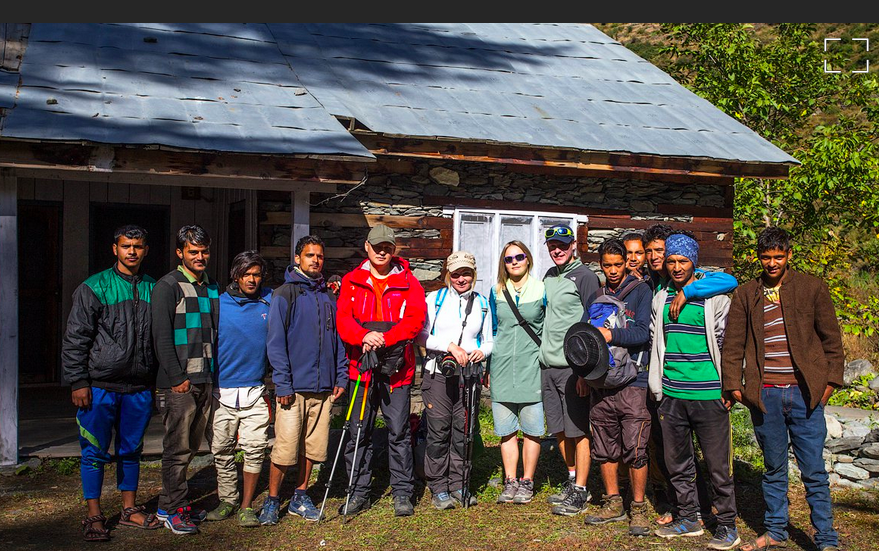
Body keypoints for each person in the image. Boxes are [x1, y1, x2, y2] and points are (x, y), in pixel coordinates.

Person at [723, 227, 842, 551]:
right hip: (767, 397)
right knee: (774, 469)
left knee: (814, 471)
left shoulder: (811, 288)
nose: (772, 262)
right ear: (758, 257)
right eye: (766, 257)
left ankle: (826, 539)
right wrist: (735, 386)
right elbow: (732, 344)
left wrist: (828, 384)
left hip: (805, 395)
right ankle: (775, 531)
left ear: (789, 254)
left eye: (778, 256)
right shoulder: (747, 293)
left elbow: (832, 342)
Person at [62, 225, 160, 542]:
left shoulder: (154, 288)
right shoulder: (94, 288)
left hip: (139, 387)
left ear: (146, 250)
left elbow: (162, 340)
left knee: (131, 450)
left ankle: (130, 510)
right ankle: (94, 516)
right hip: (99, 386)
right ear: (114, 248)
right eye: (126, 245)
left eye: (138, 246)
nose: (132, 251)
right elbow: (76, 339)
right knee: (94, 452)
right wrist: (78, 381)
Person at [641, 224, 738, 526]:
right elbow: (658, 341)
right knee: (678, 465)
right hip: (672, 393)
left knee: (718, 466)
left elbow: (725, 342)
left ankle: (726, 526)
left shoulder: (715, 295)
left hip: (708, 393)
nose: (676, 266)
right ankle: (689, 519)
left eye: (683, 261)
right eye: (671, 261)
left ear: (694, 262)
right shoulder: (661, 297)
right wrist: (658, 387)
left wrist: (729, 386)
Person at [335, 224, 427, 517]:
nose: (382, 251)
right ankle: (357, 490)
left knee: (398, 431)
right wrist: (362, 336)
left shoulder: (409, 283)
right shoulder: (351, 281)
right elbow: (343, 320)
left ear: (393, 250)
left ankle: (402, 491)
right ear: (367, 247)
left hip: (397, 370)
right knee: (358, 431)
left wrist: (386, 337)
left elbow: (415, 319)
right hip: (360, 368)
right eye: (377, 246)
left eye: (387, 247)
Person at [258, 236, 348, 524]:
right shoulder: (285, 294)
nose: (315, 260)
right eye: (310, 255)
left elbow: (339, 341)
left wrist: (341, 375)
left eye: (320, 256)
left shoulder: (328, 297)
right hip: (293, 389)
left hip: (323, 388)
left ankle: (300, 495)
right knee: (285, 447)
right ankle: (272, 500)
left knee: (314, 446)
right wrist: (282, 383)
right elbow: (275, 342)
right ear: (297, 258)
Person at [581, 238, 652, 536]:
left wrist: (611, 335)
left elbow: (643, 334)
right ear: (600, 264)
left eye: (618, 264)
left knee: (635, 446)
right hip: (600, 381)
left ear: (626, 263)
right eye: (607, 265)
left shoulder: (641, 291)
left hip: (632, 380)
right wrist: (581, 374)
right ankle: (613, 502)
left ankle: (638, 507)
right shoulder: (596, 296)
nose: (612, 270)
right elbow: (585, 338)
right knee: (604, 445)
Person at [152, 224, 219, 535]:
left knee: (191, 447)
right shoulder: (169, 286)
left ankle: (173, 501)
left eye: (204, 251)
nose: (200, 256)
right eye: (193, 251)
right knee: (176, 448)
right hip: (179, 382)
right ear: (180, 253)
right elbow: (161, 336)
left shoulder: (211, 286)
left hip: (205, 377)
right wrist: (176, 377)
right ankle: (171, 509)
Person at [417, 251, 493, 509]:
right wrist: (449, 346)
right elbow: (421, 336)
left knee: (463, 432)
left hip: (469, 377)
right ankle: (438, 487)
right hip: (438, 375)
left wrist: (483, 351)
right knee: (439, 432)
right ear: (448, 275)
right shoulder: (434, 300)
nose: (461, 279)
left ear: (474, 275)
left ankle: (459, 484)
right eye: (456, 274)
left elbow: (490, 340)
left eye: (467, 273)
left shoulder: (483, 303)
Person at [205, 251, 272, 527]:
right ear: (236, 276)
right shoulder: (219, 304)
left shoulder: (270, 300)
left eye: (257, 274)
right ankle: (227, 500)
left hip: (256, 389)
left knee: (255, 448)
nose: (252, 279)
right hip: (222, 391)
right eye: (247, 274)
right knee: (221, 448)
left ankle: (246, 506)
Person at [539, 224, 600, 516]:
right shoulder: (549, 276)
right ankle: (573, 478)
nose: (557, 250)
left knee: (578, 430)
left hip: (572, 368)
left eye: (563, 244)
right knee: (560, 429)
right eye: (552, 246)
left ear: (574, 245)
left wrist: (584, 372)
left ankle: (582, 490)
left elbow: (594, 322)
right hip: (547, 365)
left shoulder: (585, 277)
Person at [487, 241, 546, 505]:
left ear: (528, 259)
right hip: (501, 367)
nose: (514, 262)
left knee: (532, 429)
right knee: (506, 429)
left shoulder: (542, 289)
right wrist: (487, 366)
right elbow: (492, 330)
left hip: (532, 366)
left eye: (519, 257)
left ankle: (527, 481)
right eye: (508, 258)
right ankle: (510, 480)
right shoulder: (496, 291)